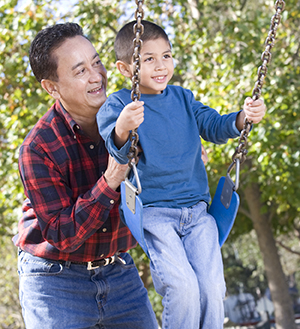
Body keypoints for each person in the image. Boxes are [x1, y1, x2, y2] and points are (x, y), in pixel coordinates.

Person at [97, 20, 266, 329]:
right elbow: (118, 152)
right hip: (155, 215)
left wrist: (243, 118)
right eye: (148, 59)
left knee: (213, 289)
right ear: (124, 69)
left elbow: (215, 125)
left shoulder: (183, 99)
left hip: (198, 214)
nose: (161, 66)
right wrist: (123, 127)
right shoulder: (120, 104)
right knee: (183, 288)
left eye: (167, 55)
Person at [12, 22, 158, 329]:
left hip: (119, 270)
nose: (97, 77)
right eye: (80, 71)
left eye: (97, 63)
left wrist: (182, 152)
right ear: (52, 87)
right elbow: (63, 234)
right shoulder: (38, 148)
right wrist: (109, 181)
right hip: (54, 279)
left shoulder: (134, 116)